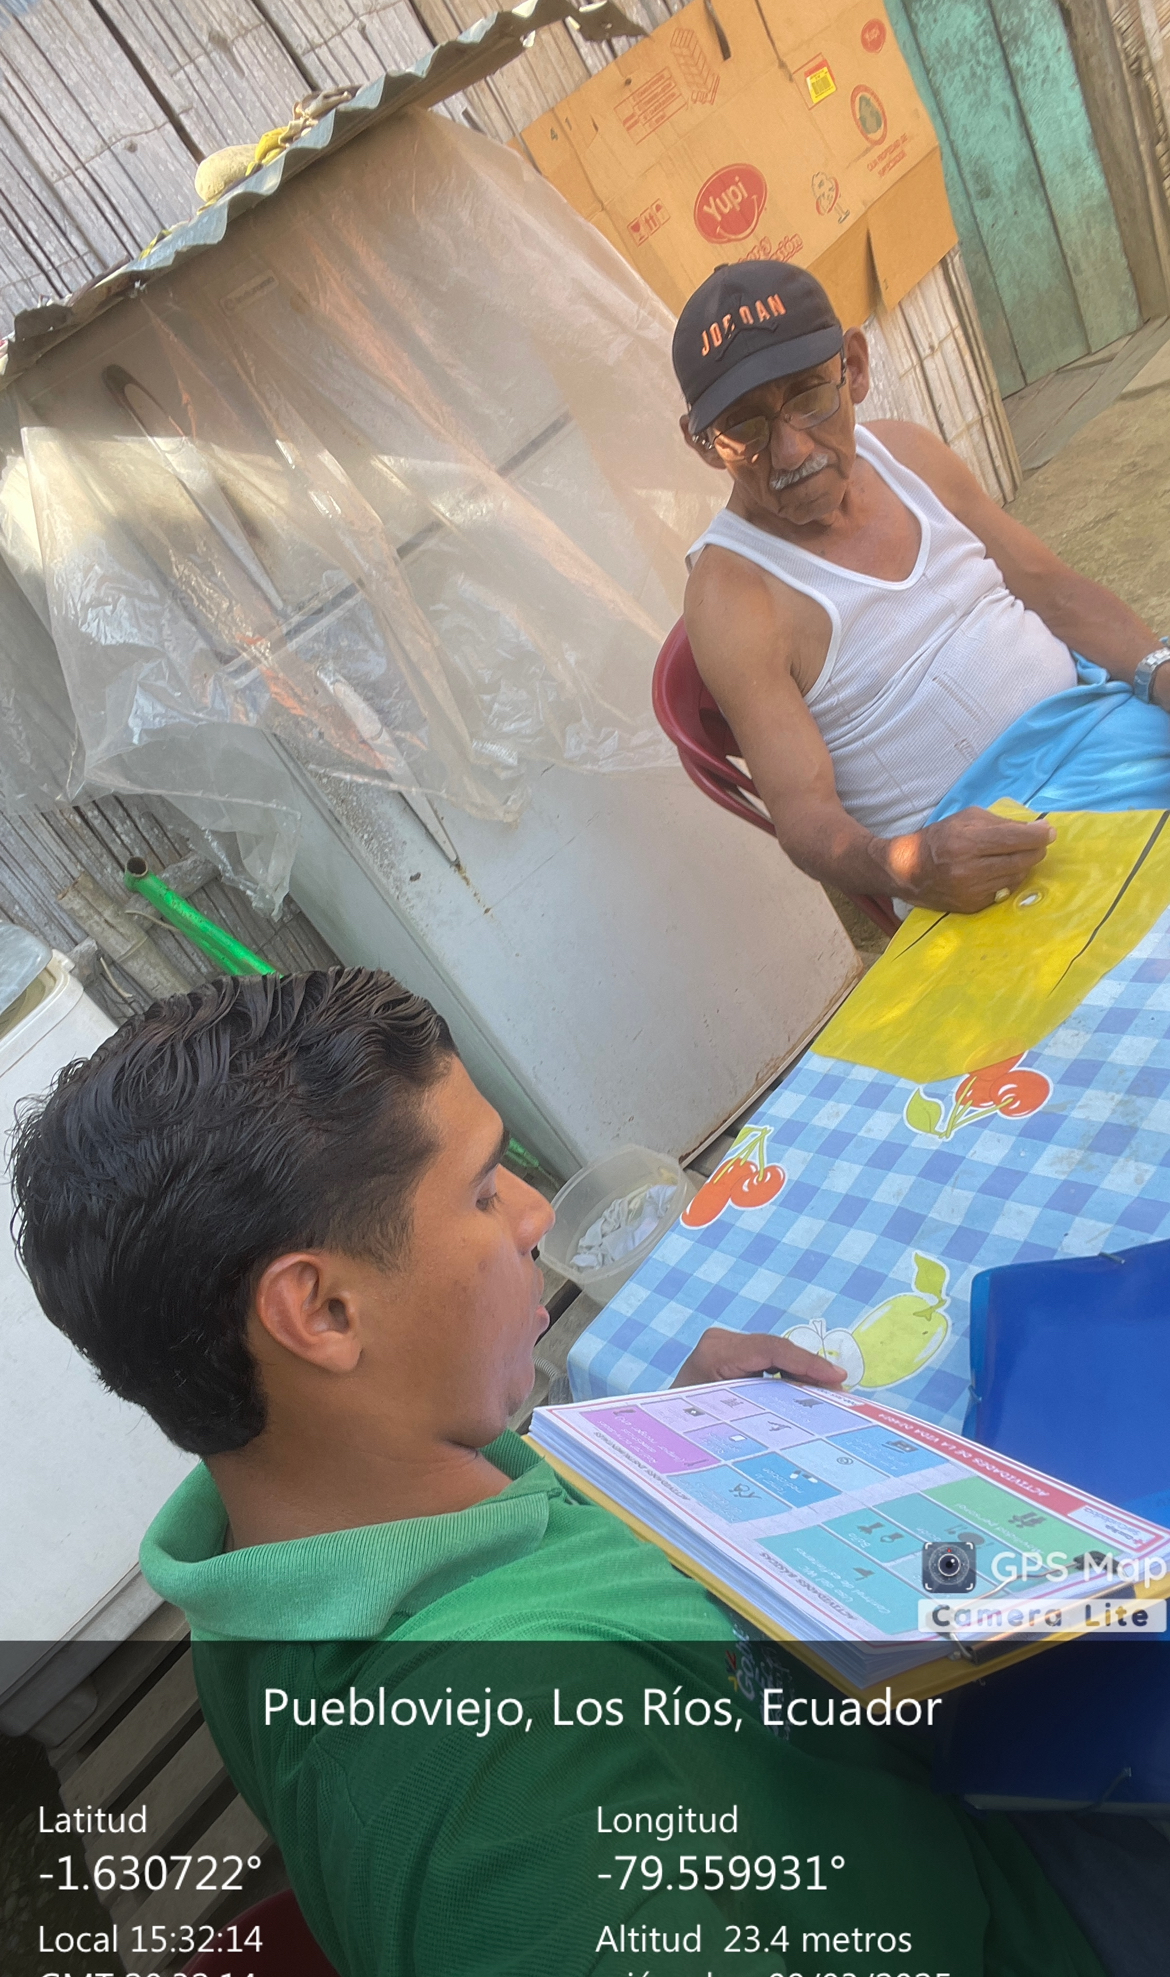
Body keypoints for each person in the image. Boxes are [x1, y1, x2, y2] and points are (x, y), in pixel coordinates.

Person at [10, 970, 1105, 1976]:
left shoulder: (255, 1553)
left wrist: (659, 1452)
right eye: (485, 1189)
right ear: (324, 1311)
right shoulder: (518, 1791)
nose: (538, 1213)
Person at [673, 263, 1170, 916]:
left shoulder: (906, 453)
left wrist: (1159, 672)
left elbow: (1055, 593)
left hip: (1104, 736)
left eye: (809, 396)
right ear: (706, 447)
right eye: (745, 428)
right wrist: (909, 866)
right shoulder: (731, 595)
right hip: (985, 855)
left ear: (853, 368)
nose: (791, 451)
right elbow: (804, 813)